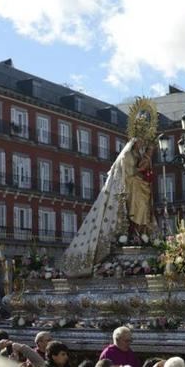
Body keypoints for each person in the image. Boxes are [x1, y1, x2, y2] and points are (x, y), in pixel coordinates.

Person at [62, 98, 158, 278]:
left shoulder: (139, 153)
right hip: (130, 189)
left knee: (144, 200)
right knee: (138, 198)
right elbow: (129, 175)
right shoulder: (128, 153)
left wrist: (147, 163)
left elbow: (141, 171)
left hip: (138, 188)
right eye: (142, 139)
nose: (143, 142)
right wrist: (142, 172)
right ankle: (134, 234)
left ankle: (140, 234)